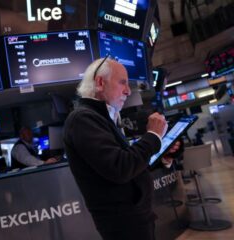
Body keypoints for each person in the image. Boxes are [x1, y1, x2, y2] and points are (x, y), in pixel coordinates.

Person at [63, 57, 170, 240]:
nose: (128, 91)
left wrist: (160, 160)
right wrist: (153, 137)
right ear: (99, 82)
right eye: (123, 83)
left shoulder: (102, 117)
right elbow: (120, 167)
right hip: (123, 225)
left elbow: (129, 163)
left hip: (135, 218)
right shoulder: (82, 119)